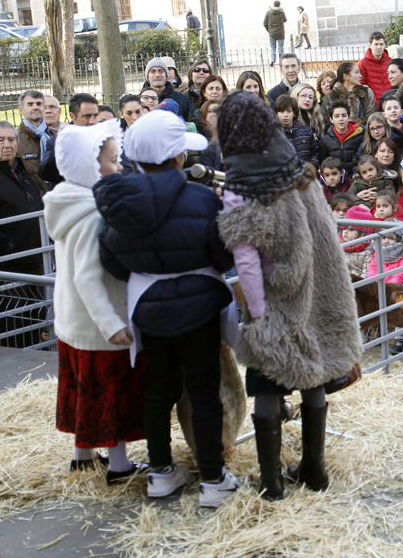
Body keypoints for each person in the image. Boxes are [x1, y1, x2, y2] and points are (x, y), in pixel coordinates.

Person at [213, 90, 362, 500]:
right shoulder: (301, 172)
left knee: (267, 386)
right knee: (312, 373)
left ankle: (272, 483)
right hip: (318, 292)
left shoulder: (243, 187)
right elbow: (325, 236)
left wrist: (257, 313)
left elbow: (246, 261)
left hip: (276, 299)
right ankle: (314, 470)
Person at [93, 109, 237, 508]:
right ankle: (212, 478)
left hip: (148, 306)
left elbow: (111, 259)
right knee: (204, 391)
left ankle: (160, 472)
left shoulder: (119, 203)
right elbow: (222, 255)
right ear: (176, 157)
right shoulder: (202, 197)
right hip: (200, 306)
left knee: (157, 391)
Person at [44, 118, 147, 484]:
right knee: (110, 397)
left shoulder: (66, 205)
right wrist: (112, 323)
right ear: (89, 165)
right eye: (112, 161)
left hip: (73, 322)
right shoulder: (91, 214)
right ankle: (119, 465)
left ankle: (82, 455)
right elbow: (87, 276)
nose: (118, 167)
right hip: (99, 326)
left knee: (82, 391)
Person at [0, 121, 46, 348]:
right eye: (0, 140)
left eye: (11, 140)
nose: (7, 145)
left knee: (36, 315)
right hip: (6, 265)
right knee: (12, 324)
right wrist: (9, 245)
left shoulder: (20, 170)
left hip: (34, 257)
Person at [15, 90, 54, 192]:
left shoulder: (56, 135)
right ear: (21, 110)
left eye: (39, 104)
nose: (35, 107)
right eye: (30, 104)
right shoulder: (15, 140)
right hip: (33, 202)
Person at [358, 31, 393, 103]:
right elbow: (360, 88)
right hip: (372, 106)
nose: (379, 47)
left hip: (390, 104)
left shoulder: (391, 62)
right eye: (376, 44)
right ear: (370, 45)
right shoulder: (362, 64)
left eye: (381, 44)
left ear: (384, 45)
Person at [263, 0, 287, 66]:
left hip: (272, 33)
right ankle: (281, 60)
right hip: (280, 32)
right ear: (279, 4)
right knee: (281, 47)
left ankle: (273, 59)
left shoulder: (268, 13)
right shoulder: (281, 13)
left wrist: (269, 30)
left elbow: (264, 23)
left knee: (273, 47)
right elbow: (285, 20)